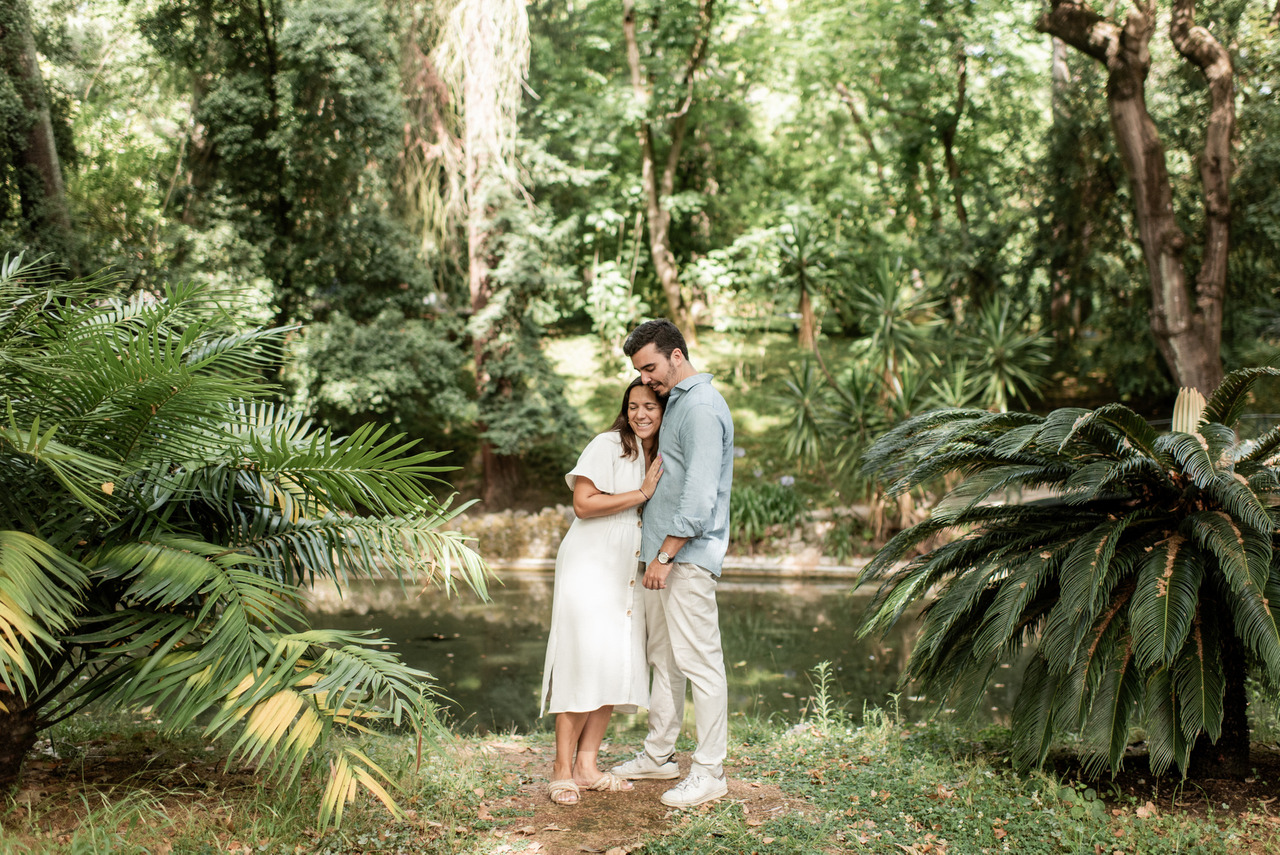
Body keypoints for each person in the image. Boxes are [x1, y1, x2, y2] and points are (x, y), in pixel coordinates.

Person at [612, 319, 734, 808]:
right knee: (664, 661)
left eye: (651, 367)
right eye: (639, 371)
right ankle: (659, 755)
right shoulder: (679, 401)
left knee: (701, 663)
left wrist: (665, 554)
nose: (646, 380)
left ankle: (709, 771)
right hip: (660, 558)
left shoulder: (701, 407)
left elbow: (700, 497)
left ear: (677, 355)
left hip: (682, 558)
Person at [539, 379, 666, 806]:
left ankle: (587, 767)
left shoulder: (657, 454)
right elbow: (583, 503)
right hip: (591, 563)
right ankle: (561, 769)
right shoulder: (608, 444)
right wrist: (641, 494)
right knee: (582, 662)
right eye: (633, 406)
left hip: (626, 568)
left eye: (650, 405)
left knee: (615, 663)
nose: (640, 414)